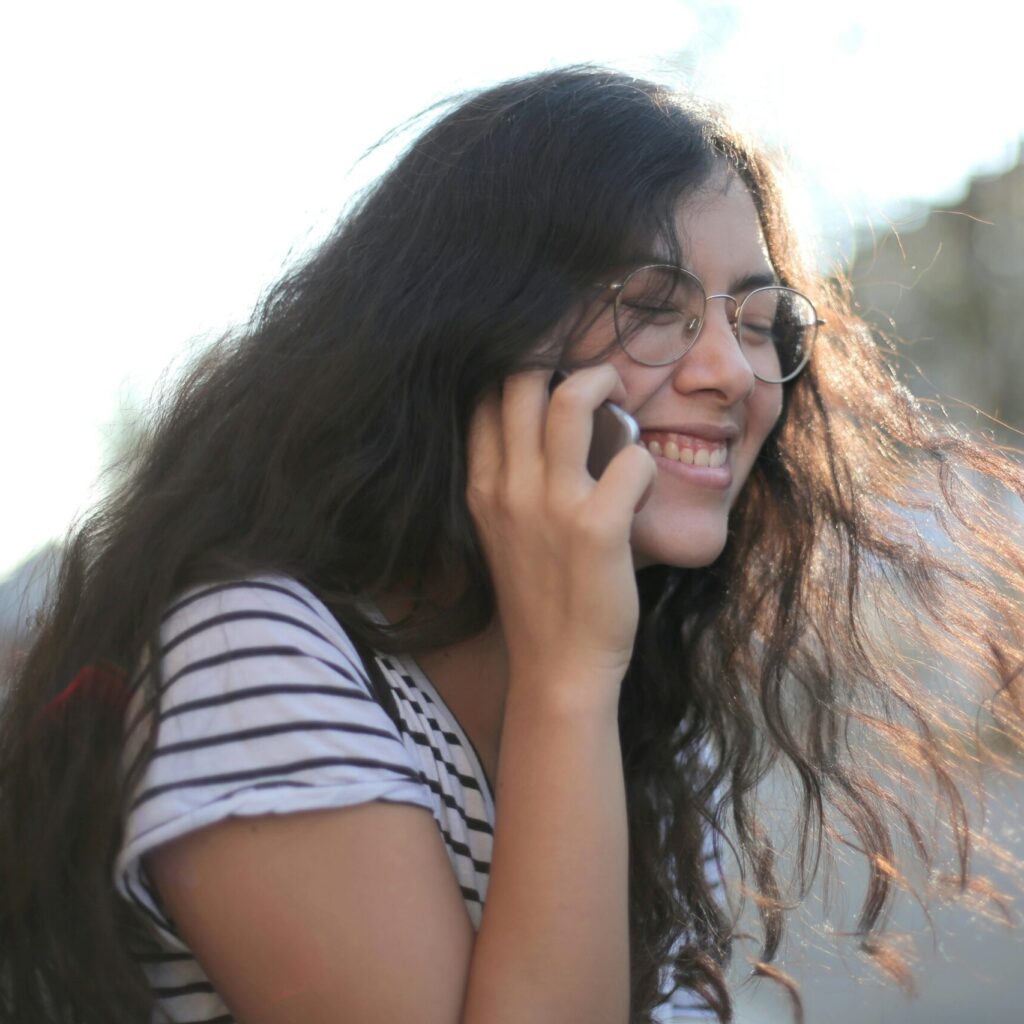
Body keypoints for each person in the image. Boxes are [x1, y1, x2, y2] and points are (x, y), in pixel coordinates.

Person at [0, 65, 1021, 1024]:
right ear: (469, 333)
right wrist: (566, 675)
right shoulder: (257, 651)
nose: (731, 370)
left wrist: (579, 676)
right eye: (652, 307)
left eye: (758, 320)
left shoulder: (652, 715)